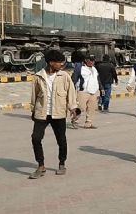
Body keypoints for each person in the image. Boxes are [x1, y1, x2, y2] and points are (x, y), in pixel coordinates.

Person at [29, 50, 79, 179]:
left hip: (59, 113)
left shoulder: (64, 76)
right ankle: (41, 165)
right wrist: (33, 110)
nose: (61, 65)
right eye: (59, 62)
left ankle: (62, 163)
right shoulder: (38, 76)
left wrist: (73, 108)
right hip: (42, 113)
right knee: (36, 138)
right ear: (51, 63)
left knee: (61, 140)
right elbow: (34, 95)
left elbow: (71, 92)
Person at [72, 55, 103, 129]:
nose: (92, 62)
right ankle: (75, 120)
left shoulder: (94, 69)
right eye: (91, 60)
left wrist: (101, 88)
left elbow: (97, 79)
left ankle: (88, 123)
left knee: (91, 108)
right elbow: (74, 79)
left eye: (93, 60)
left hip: (93, 91)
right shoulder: (80, 68)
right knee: (80, 108)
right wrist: (71, 90)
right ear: (86, 60)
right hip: (83, 91)